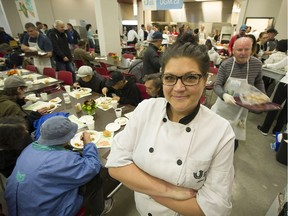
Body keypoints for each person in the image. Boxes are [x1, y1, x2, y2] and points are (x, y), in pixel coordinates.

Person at [106, 42, 235, 216]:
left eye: (190, 78)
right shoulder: (146, 109)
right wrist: (168, 190)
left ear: (205, 80)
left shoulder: (221, 132)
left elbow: (214, 209)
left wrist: (142, 184)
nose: (179, 88)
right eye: (170, 78)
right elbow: (115, 165)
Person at [5, 116, 113, 216]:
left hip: (18, 209)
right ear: (66, 139)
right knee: (94, 179)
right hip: (49, 212)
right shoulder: (63, 160)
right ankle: (99, 209)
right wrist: (88, 144)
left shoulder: (29, 149)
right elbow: (93, 166)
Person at [211, 37, 265, 148]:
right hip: (224, 107)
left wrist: (262, 97)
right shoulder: (226, 65)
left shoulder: (257, 64)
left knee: (232, 141)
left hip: (241, 110)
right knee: (215, 138)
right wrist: (224, 95)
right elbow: (217, 85)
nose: (243, 53)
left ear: (252, 50)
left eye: (247, 49)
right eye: (239, 50)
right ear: (233, 50)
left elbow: (259, 81)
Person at [258, 56, 288, 136]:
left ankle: (265, 129)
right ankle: (276, 132)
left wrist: (266, 65)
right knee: (286, 111)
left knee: (275, 106)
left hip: (286, 84)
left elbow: (277, 65)